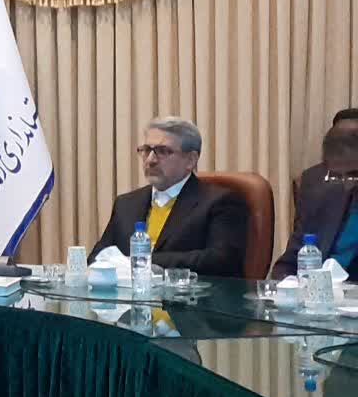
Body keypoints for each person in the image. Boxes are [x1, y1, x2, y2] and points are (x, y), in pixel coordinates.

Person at [91, 116, 247, 277]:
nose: (150, 160)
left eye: (162, 151)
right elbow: (97, 257)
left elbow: (221, 260)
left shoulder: (220, 202)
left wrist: (143, 261)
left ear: (191, 160)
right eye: (146, 150)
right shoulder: (126, 203)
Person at [271, 120, 358, 279]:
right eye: (337, 176)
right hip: (320, 291)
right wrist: (287, 284)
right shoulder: (322, 194)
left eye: (354, 174)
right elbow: (288, 263)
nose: (347, 185)